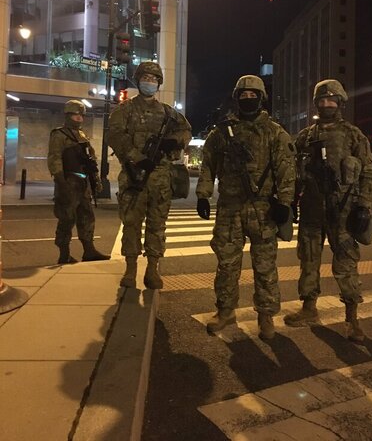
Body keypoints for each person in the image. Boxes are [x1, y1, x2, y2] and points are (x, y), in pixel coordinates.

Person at [196, 75, 296, 341]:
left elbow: (286, 170)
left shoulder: (275, 132)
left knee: (265, 267)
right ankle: (226, 310)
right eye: (243, 95)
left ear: (262, 98)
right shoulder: (222, 133)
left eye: (253, 95)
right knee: (227, 265)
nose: (248, 99)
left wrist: (285, 203)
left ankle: (266, 315)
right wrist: (203, 195)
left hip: (263, 210)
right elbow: (208, 164)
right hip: (229, 209)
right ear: (236, 98)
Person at [284, 79, 372, 342]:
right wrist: (290, 200)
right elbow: (293, 173)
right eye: (322, 100)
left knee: (346, 265)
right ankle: (308, 308)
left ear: (340, 103)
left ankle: (352, 319)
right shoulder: (305, 136)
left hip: (344, 212)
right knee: (308, 261)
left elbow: (368, 173)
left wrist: (363, 205)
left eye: (331, 100)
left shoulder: (353, 135)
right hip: (312, 210)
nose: (327, 105)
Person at [108, 61, 192, 289]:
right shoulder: (124, 110)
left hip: (160, 179)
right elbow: (114, 135)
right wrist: (136, 156)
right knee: (131, 224)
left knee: (157, 225)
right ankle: (131, 268)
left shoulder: (167, 112)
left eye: (154, 79)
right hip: (134, 177)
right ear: (138, 80)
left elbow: (186, 130)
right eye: (146, 78)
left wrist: (174, 143)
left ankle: (152, 269)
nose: (150, 82)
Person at [48, 100, 109, 264]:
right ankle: (64, 253)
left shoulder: (82, 135)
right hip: (69, 181)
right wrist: (61, 182)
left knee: (86, 216)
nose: (79, 119)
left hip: (83, 182)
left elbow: (91, 160)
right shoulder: (59, 135)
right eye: (76, 115)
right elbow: (54, 158)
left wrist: (95, 180)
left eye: (81, 115)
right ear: (68, 115)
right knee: (66, 218)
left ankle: (89, 250)